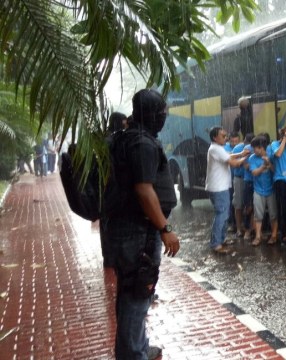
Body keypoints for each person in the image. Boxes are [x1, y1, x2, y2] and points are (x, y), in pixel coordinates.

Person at [106, 89, 179, 359]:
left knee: (132, 292)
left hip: (128, 231)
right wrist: (165, 229)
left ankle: (136, 347)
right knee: (138, 293)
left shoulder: (127, 138)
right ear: (150, 114)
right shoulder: (142, 144)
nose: (163, 118)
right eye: (161, 114)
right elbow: (144, 190)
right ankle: (133, 354)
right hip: (138, 233)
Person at [205, 127, 248, 254]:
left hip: (220, 187)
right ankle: (216, 244)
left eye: (225, 136)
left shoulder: (217, 149)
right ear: (215, 138)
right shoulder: (215, 149)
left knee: (224, 215)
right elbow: (233, 163)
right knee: (221, 215)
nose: (226, 138)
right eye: (223, 136)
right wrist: (245, 159)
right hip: (218, 188)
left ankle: (221, 239)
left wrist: (241, 154)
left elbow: (228, 155)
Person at [99, 111, 128, 269]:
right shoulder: (115, 140)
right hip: (113, 188)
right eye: (123, 122)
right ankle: (115, 258)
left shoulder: (106, 139)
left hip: (105, 188)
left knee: (106, 224)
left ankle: (109, 257)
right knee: (113, 224)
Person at [248, 136, 278, 246]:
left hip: (271, 190)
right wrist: (263, 166)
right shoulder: (252, 158)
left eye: (255, 148)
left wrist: (269, 164)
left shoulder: (271, 156)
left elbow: (276, 171)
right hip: (258, 190)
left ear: (261, 148)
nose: (253, 150)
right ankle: (258, 236)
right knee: (258, 215)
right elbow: (254, 173)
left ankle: (274, 236)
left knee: (273, 214)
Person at [225, 132, 241, 234]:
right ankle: (232, 224)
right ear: (229, 140)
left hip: (237, 179)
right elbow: (229, 158)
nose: (234, 143)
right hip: (228, 180)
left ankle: (239, 224)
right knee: (231, 203)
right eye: (232, 141)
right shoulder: (225, 148)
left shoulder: (241, 147)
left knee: (237, 203)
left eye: (236, 141)